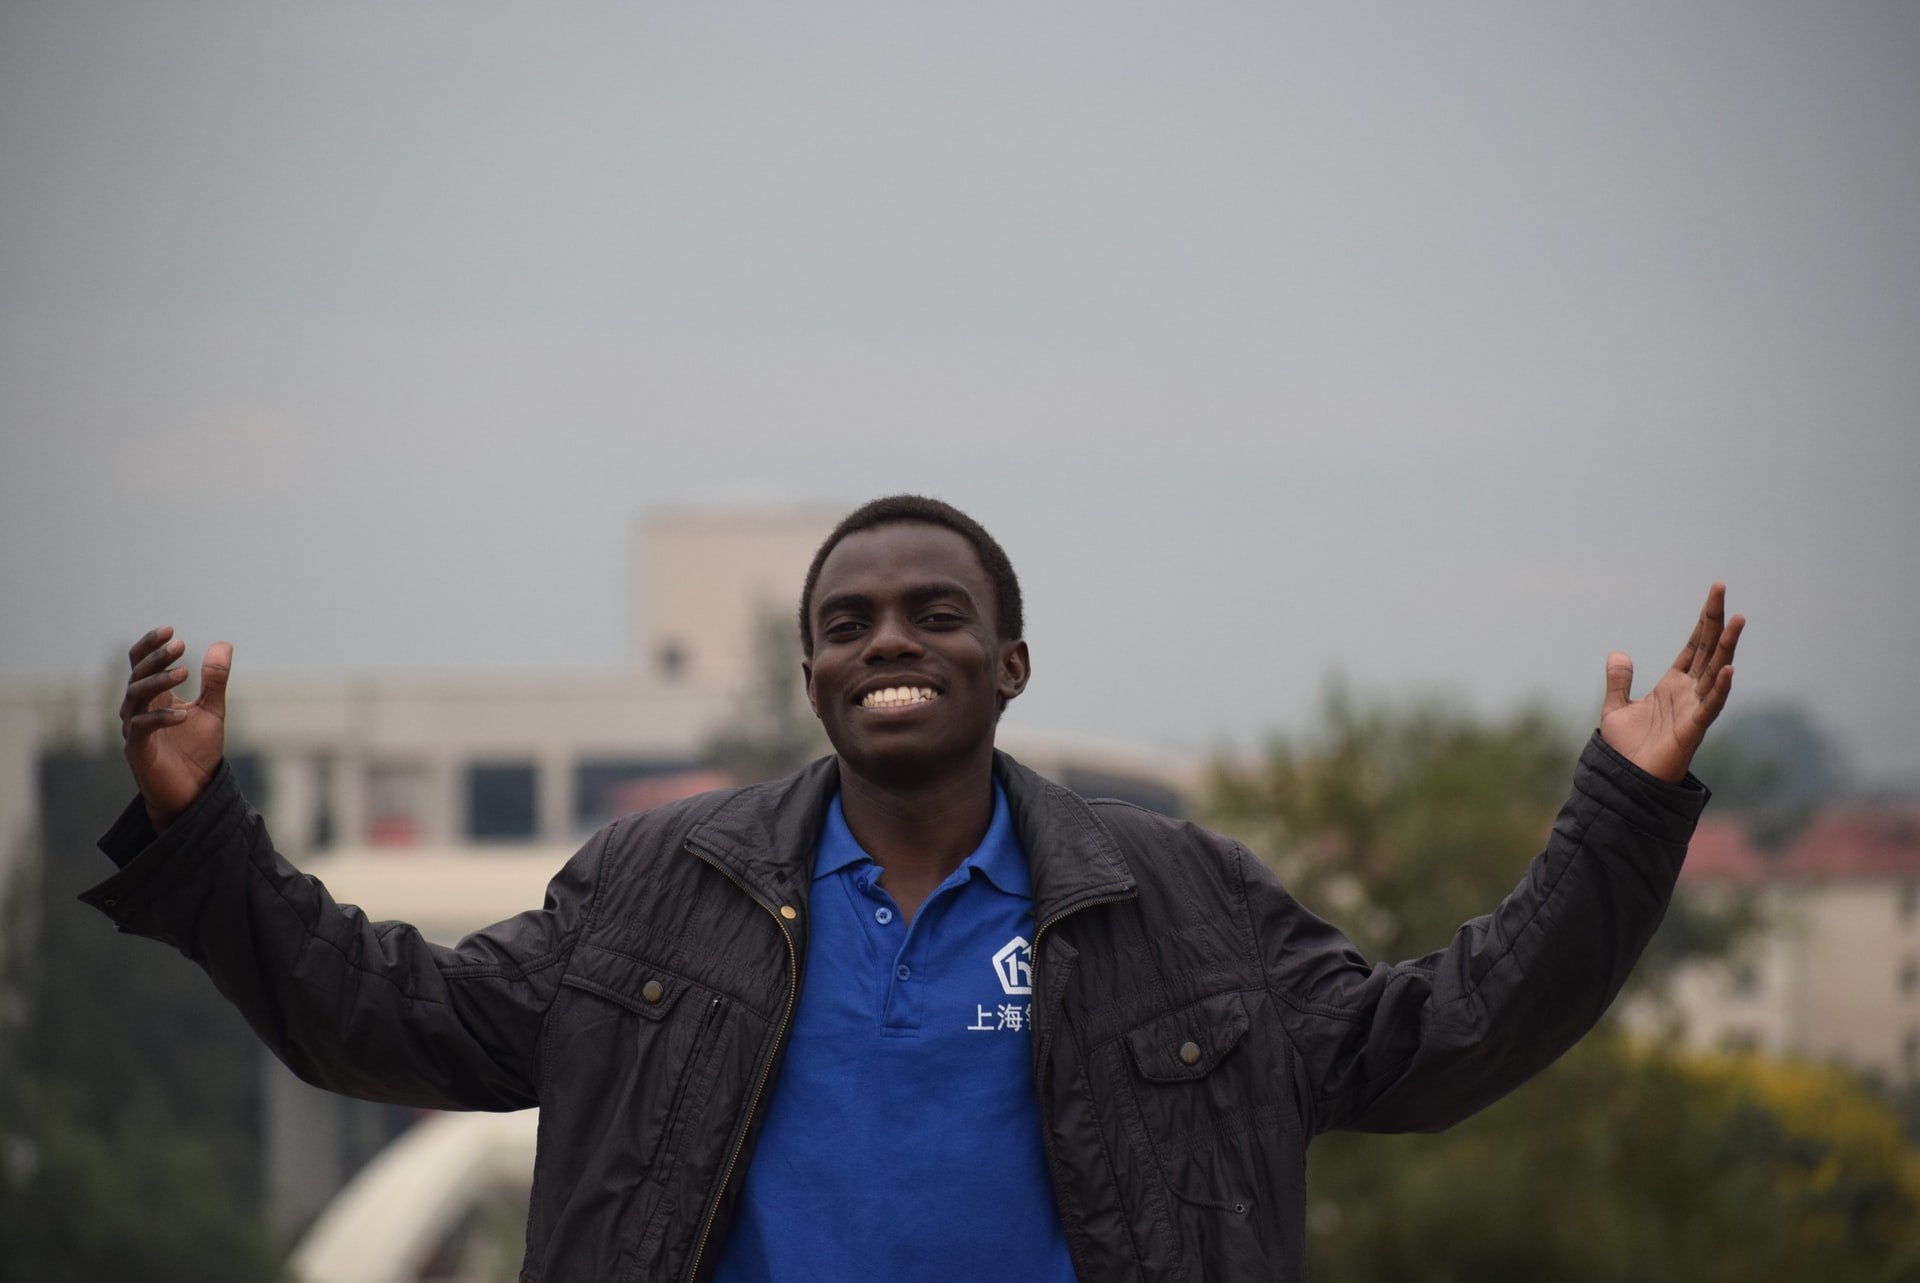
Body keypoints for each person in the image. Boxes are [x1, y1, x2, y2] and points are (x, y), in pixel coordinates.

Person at [86, 495, 1743, 1282]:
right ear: (814, 676)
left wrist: (1623, 808)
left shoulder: (1177, 903)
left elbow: (1435, 1040)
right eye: (849, 620)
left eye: (935, 613)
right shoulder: (661, 891)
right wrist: (205, 831)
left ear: (1011, 662)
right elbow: (399, 1018)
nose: (890, 639)